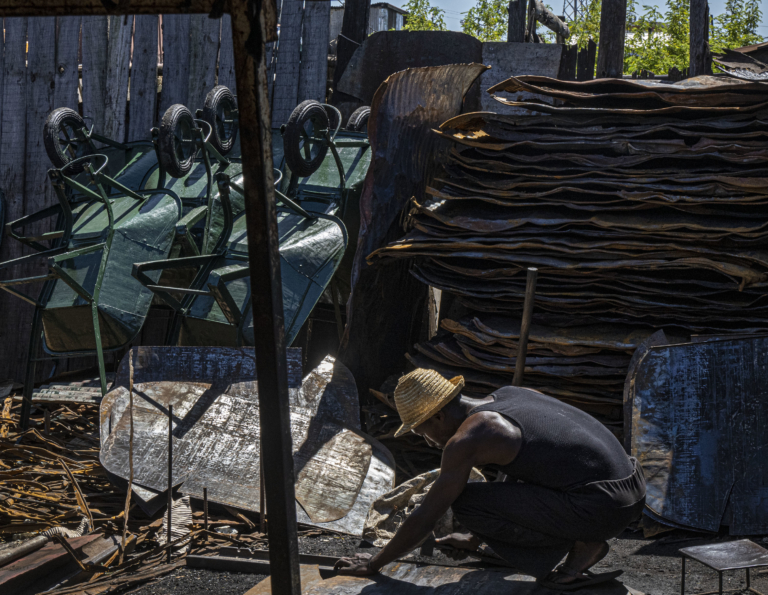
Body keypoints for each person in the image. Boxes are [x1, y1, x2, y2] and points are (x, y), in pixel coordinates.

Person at [334, 368, 646, 591]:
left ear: (438, 416)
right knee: (486, 497)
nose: (428, 442)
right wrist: (474, 539)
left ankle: (583, 545)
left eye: (422, 432)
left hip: (603, 506)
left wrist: (373, 564)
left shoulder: (469, 438)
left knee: (466, 502)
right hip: (631, 485)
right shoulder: (511, 395)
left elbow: (427, 514)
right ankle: (582, 537)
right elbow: (528, 467)